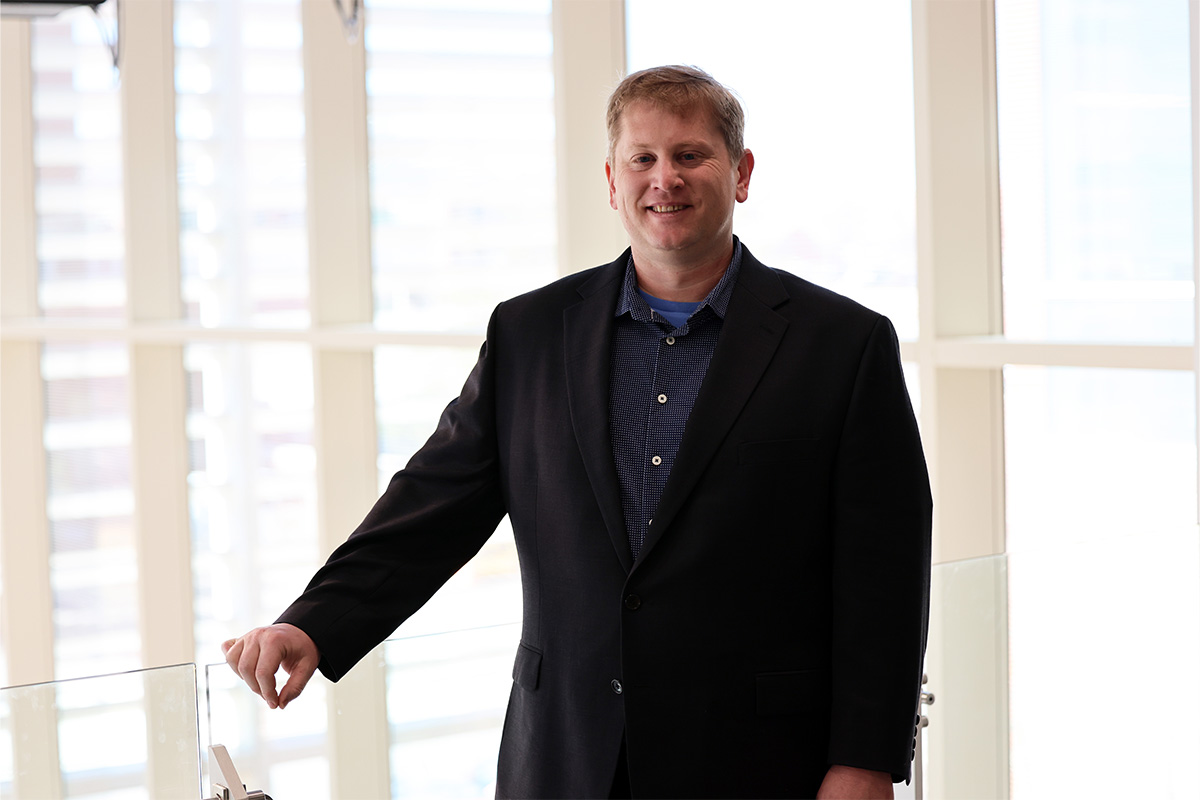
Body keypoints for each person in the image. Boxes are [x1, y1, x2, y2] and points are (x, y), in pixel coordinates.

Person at [224, 65, 932, 799]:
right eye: (643, 159)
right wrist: (314, 623)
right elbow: (431, 506)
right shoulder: (530, 332)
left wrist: (864, 759)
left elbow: (884, 573)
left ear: (741, 172)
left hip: (758, 759)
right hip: (563, 753)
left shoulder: (842, 345)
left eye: (691, 155)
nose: (667, 179)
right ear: (612, 178)